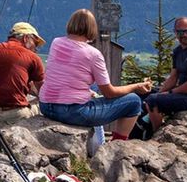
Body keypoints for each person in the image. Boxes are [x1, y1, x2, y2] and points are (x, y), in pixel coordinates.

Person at [38, 9, 151, 151]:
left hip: (46, 105)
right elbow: (109, 92)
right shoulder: (93, 54)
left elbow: (67, 76)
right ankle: (115, 147)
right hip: (72, 111)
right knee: (133, 101)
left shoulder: (57, 42)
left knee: (96, 89)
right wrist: (136, 86)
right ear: (92, 28)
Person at [144, 17, 187, 131]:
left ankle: (155, 133)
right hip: (185, 93)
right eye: (180, 32)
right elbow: (173, 77)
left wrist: (169, 93)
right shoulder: (178, 51)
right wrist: (161, 92)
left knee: (153, 100)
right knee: (147, 94)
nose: (184, 35)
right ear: (175, 33)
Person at [0, 21, 46, 122]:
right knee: (40, 103)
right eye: (35, 42)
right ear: (26, 38)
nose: (36, 48)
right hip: (13, 114)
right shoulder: (33, 57)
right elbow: (43, 91)